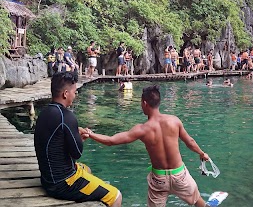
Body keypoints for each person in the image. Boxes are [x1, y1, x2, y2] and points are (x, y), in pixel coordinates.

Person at [84, 85, 213, 207]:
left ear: (145, 103)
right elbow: (189, 141)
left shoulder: (142, 130)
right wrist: (202, 153)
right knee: (197, 200)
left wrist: (91, 134)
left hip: (159, 179)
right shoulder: (174, 121)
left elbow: (111, 141)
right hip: (180, 175)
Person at [34, 72, 122, 207]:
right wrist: (79, 138)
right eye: (74, 92)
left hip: (47, 179)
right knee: (115, 196)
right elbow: (76, 153)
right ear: (65, 93)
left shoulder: (44, 113)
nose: (76, 96)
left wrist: (73, 134)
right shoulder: (67, 117)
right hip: (63, 183)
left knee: (86, 169)